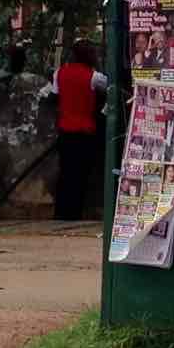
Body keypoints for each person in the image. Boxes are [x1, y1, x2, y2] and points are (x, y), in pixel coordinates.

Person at [49, 41, 108, 222]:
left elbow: (55, 97)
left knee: (65, 173)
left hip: (65, 131)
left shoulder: (59, 73)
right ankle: (75, 213)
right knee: (81, 175)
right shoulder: (95, 77)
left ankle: (61, 213)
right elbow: (109, 90)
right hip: (85, 132)